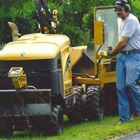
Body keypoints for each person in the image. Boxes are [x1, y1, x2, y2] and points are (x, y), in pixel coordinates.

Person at [101, 0, 140, 123]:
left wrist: (111, 53)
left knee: (130, 83)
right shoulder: (119, 20)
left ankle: (138, 112)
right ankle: (124, 118)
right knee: (120, 87)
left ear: (126, 9)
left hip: (133, 55)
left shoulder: (132, 21)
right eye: (116, 11)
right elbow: (117, 37)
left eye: (120, 11)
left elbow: (123, 42)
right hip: (122, 57)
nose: (118, 14)